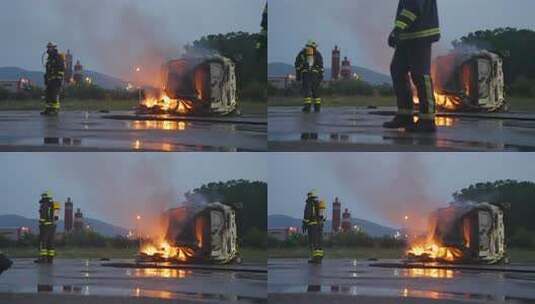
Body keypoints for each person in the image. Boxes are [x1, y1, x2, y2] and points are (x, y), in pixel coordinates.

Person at [383, 0, 440, 133]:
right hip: (407, 35)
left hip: (420, 35)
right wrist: (398, 31)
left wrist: (398, 29)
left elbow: (413, 7)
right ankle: (405, 115)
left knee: (420, 74)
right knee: (397, 70)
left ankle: (427, 120)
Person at [295, 40, 324, 113]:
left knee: (307, 90)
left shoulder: (301, 54)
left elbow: (297, 66)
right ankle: (317, 108)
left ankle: (307, 108)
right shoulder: (318, 54)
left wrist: (298, 77)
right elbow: (321, 67)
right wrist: (320, 77)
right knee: (316, 91)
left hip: (306, 74)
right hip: (315, 75)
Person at [302, 191, 326, 264]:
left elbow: (307, 214)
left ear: (309, 196)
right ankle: (319, 259)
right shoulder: (318, 204)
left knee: (313, 242)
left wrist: (304, 224)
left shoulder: (309, 204)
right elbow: (322, 216)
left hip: (312, 226)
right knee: (319, 242)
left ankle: (315, 259)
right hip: (320, 225)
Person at [35, 192, 59, 264]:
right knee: (50, 242)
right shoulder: (55, 204)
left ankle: (43, 259)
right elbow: (56, 217)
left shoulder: (44, 204)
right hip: (53, 226)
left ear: (45, 197)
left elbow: (43, 215)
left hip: (45, 226)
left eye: (43, 196)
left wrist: (41, 222)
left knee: (43, 242)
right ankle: (50, 259)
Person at [42, 42, 65, 116]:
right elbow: (47, 70)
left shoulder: (58, 57)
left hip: (56, 80)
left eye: (50, 47)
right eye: (48, 47)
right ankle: (48, 110)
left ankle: (55, 110)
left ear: (54, 48)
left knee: (54, 95)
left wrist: (58, 77)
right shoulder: (49, 59)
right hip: (49, 80)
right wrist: (46, 78)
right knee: (48, 95)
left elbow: (62, 68)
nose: (48, 49)